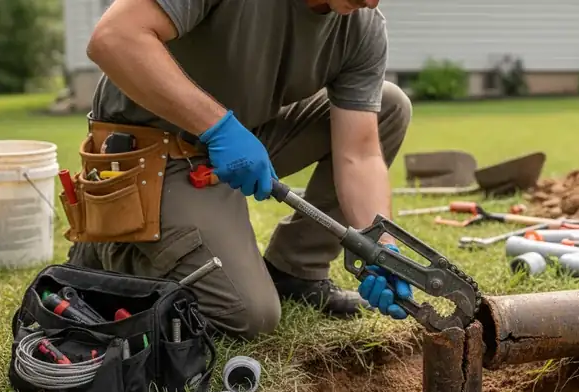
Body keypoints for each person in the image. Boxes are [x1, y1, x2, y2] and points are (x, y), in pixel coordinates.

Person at [66, 0, 414, 340]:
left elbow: (360, 153)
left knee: (389, 106)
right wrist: (218, 127)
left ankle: (296, 269)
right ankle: (113, 245)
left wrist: (379, 245)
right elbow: (113, 37)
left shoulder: (362, 28)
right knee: (248, 314)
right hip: (153, 151)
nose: (370, 2)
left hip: (243, 136)